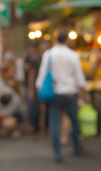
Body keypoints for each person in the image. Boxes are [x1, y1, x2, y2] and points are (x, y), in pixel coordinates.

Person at [36, 30, 89, 162]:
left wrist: (39, 89)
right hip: (70, 93)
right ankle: (76, 145)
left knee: (54, 122)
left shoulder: (48, 54)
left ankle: (57, 153)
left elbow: (42, 76)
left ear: (56, 40)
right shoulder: (73, 55)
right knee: (74, 120)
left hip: (55, 93)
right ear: (67, 40)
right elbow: (79, 77)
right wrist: (83, 92)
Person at [24, 41, 42, 134]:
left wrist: (31, 89)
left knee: (34, 108)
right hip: (36, 86)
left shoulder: (33, 58)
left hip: (33, 86)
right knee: (35, 108)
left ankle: (34, 128)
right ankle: (35, 128)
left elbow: (31, 74)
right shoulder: (37, 57)